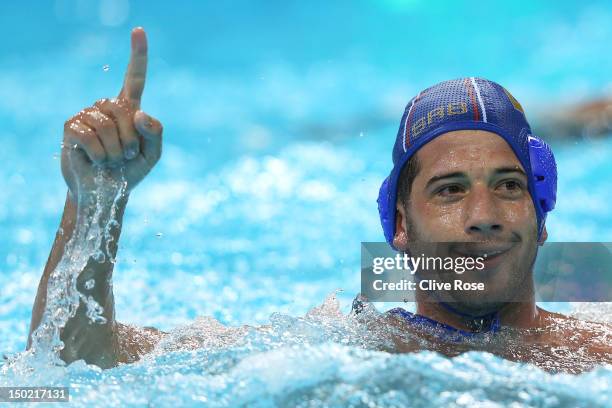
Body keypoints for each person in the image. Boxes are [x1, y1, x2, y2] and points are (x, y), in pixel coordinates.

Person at [27, 27, 610, 371]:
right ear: (400, 228)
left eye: (508, 187)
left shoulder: (597, 355)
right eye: (450, 190)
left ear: (540, 212)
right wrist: (95, 204)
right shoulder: (339, 350)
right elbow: (76, 359)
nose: (484, 218)